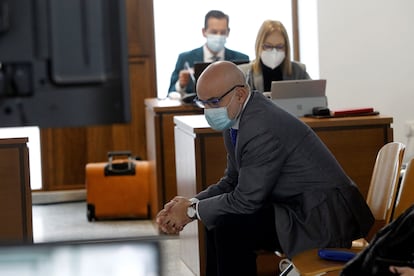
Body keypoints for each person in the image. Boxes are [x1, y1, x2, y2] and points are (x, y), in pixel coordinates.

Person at [157, 61, 374, 276]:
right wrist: (193, 203)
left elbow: (245, 200)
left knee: (230, 228)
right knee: (217, 220)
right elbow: (231, 181)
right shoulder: (236, 116)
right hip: (294, 206)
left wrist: (190, 211)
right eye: (202, 103)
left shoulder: (260, 125)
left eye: (213, 102)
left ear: (240, 94)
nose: (208, 111)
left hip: (322, 217)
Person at [168, 10, 249, 96]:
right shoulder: (186, 58)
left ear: (228, 32)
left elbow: (249, 92)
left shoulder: (241, 58)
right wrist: (181, 85)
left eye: (222, 32)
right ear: (204, 31)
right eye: (214, 32)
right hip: (196, 108)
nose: (218, 36)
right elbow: (170, 92)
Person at [239, 20, 310, 92]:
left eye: (279, 47)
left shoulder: (299, 71)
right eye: (268, 46)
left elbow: (313, 98)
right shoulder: (244, 74)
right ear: (258, 46)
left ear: (286, 48)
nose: (274, 52)